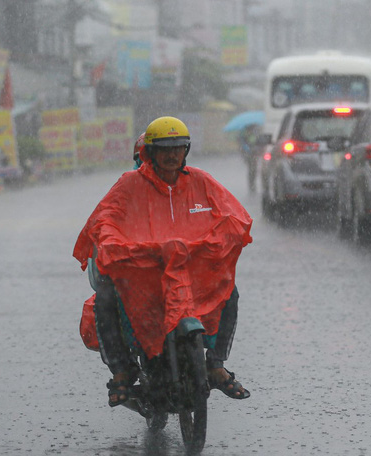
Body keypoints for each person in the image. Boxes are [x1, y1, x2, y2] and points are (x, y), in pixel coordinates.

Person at [74, 117, 253, 407]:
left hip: (189, 273)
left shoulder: (200, 180)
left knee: (230, 292)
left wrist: (218, 242)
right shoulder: (130, 184)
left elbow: (233, 215)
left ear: (186, 150)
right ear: (149, 153)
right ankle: (121, 371)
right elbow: (105, 218)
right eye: (165, 149)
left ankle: (216, 364)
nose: (172, 155)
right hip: (141, 274)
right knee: (105, 298)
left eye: (179, 148)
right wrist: (114, 244)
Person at [238, 124, 260, 191]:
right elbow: (243, 145)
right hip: (250, 156)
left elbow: (257, 143)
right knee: (251, 170)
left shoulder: (254, 135)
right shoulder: (245, 136)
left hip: (254, 155)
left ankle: (252, 184)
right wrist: (248, 149)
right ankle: (251, 184)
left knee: (254, 170)